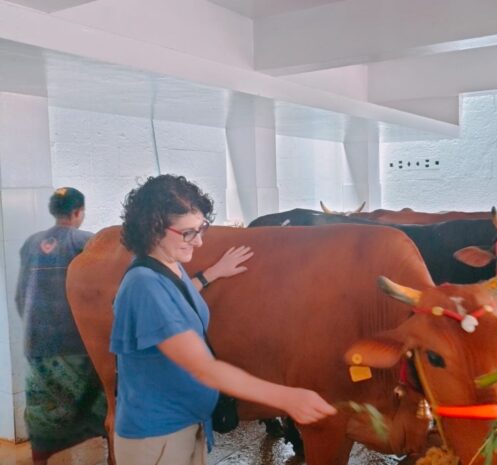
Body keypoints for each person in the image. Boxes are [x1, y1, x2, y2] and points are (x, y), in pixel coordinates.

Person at [110, 174, 336, 465]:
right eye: (189, 233)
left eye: (201, 229)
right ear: (153, 228)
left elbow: (176, 299)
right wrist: (287, 398)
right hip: (157, 437)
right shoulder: (143, 284)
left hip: (185, 423)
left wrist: (211, 274)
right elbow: (203, 369)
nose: (200, 241)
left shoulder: (167, 266)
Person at [15, 187, 107, 465]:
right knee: (98, 404)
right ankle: (109, 454)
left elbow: (22, 295)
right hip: (77, 342)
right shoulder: (87, 242)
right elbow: (99, 294)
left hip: (38, 341)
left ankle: (40, 459)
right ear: (78, 212)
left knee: (43, 406)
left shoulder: (31, 243)